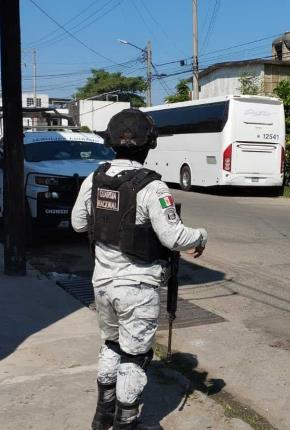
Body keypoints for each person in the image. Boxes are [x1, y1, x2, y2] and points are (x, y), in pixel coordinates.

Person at [71, 109, 208, 430]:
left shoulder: (95, 177)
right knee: (134, 357)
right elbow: (174, 237)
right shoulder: (153, 188)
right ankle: (126, 422)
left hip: (102, 283)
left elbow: (78, 223)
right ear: (149, 144)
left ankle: (102, 414)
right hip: (137, 289)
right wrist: (201, 235)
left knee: (111, 345)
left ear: (111, 142)